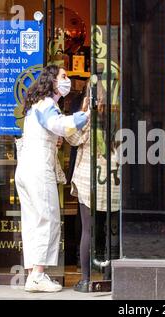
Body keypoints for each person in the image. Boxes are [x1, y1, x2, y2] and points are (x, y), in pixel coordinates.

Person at [15, 65, 90, 293]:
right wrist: (86, 115)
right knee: (48, 219)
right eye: (64, 77)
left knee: (33, 221)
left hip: (26, 168)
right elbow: (59, 124)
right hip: (38, 169)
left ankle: (32, 275)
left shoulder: (38, 105)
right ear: (53, 82)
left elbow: (49, 130)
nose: (67, 80)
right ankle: (38, 274)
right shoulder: (48, 104)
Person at [65, 80, 120, 292]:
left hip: (89, 178)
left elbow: (72, 138)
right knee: (112, 230)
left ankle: (86, 279)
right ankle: (109, 278)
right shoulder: (118, 118)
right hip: (114, 178)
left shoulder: (88, 118)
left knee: (87, 230)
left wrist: (85, 111)